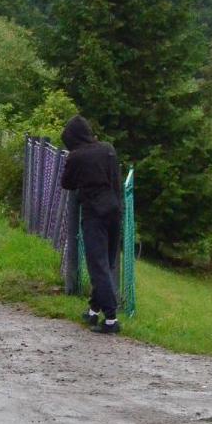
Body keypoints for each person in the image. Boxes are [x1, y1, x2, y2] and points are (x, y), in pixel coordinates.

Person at [60, 115, 124, 334]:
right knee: (107, 262)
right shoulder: (108, 149)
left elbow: (66, 182)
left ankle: (111, 320)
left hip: (94, 213)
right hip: (115, 209)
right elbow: (116, 177)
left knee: (97, 266)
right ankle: (93, 311)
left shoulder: (76, 157)